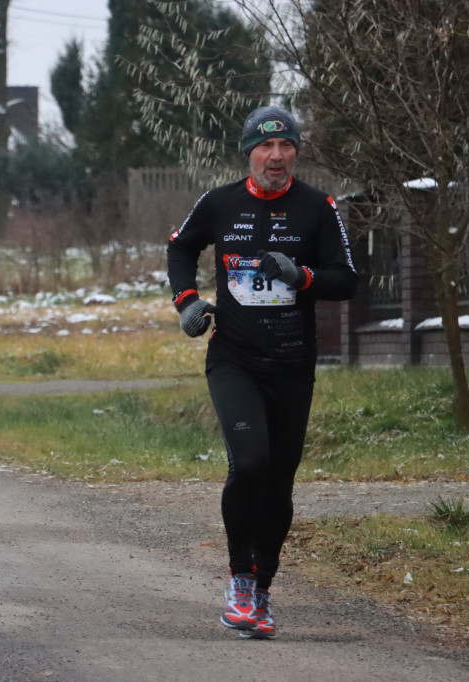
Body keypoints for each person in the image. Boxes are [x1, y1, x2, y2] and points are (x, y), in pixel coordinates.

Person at [166, 106, 358, 638]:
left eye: (286, 147)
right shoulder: (220, 202)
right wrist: (186, 302)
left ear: (295, 151)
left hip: (292, 363)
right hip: (234, 358)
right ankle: (240, 581)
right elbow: (180, 246)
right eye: (265, 148)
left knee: (278, 482)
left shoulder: (317, 207)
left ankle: (265, 589)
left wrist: (303, 276)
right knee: (249, 464)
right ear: (248, 151)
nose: (276, 157)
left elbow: (347, 280)